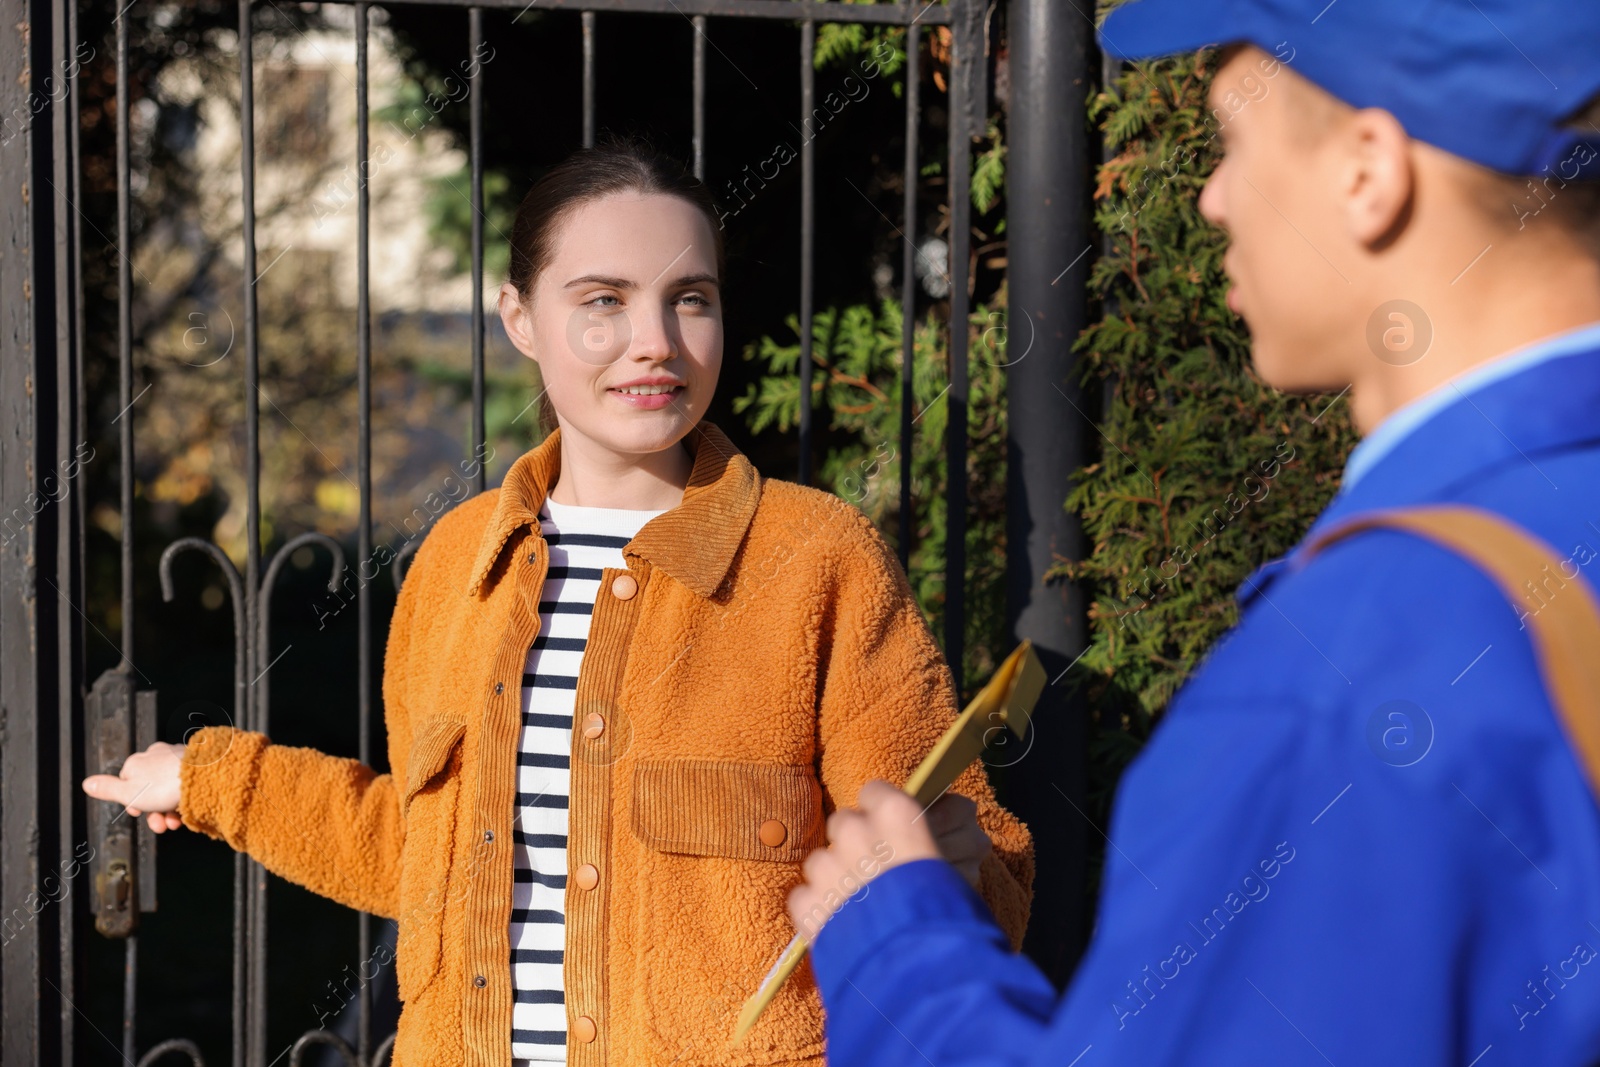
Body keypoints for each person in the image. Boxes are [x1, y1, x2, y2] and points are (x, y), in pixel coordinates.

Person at [81, 137, 1034, 1067]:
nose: (655, 343)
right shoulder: (458, 563)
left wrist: (952, 872)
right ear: (521, 316)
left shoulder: (820, 559)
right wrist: (209, 779)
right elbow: (420, 862)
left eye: (689, 299)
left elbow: (982, 866)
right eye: (604, 302)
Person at [786, 2, 1600, 1064]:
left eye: (1231, 137)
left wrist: (892, 944)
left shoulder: (1346, 675)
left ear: (1369, 171)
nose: (1210, 197)